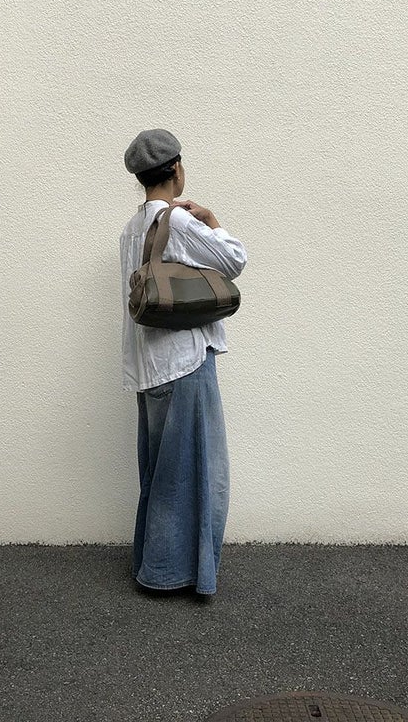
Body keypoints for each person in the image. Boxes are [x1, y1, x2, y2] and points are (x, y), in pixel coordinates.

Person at [120, 129, 247, 596]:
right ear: (176, 168)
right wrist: (211, 219)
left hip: (148, 366)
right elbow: (234, 260)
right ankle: (177, 574)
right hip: (186, 362)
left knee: (161, 472)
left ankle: (155, 565)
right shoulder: (178, 221)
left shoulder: (131, 229)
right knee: (200, 472)